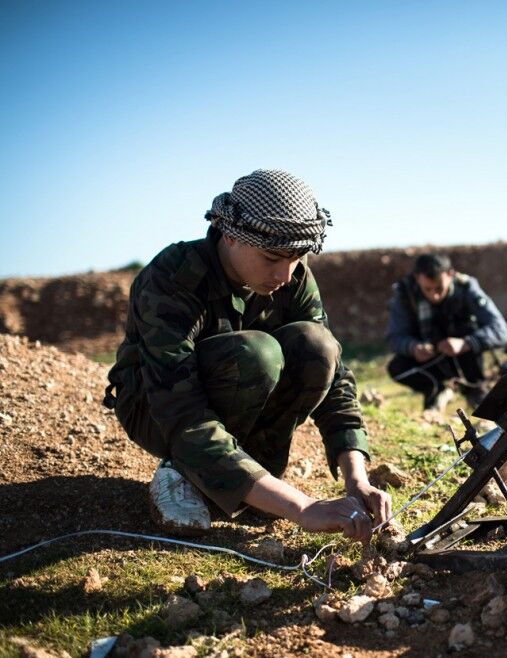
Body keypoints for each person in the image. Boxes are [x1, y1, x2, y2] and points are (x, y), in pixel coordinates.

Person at [104, 169, 391, 540]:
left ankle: (250, 477)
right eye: (272, 258)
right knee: (257, 354)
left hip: (224, 402)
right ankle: (182, 471)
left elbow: (334, 380)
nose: (285, 275)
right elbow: (180, 411)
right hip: (155, 408)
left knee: (316, 345)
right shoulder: (173, 279)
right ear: (230, 235)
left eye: (296, 258)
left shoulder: (293, 275)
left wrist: (357, 480)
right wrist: (300, 507)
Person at [385, 254, 507, 412]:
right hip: (429, 361)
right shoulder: (405, 294)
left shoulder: (466, 288)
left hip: (465, 358)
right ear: (417, 278)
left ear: (450, 275)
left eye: (439, 288)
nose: (434, 296)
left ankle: (475, 391)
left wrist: (466, 343)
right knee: (397, 367)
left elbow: (500, 330)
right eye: (428, 289)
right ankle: (436, 390)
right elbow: (394, 337)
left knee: (469, 329)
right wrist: (413, 347)